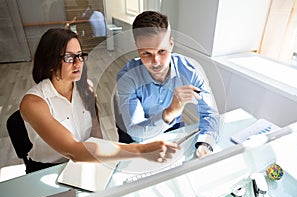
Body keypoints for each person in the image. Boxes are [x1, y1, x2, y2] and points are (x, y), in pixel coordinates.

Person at [19, 28, 178, 173]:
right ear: (50, 62)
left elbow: (96, 136)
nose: (78, 63)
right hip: (48, 170)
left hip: (84, 162)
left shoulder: (86, 88)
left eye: (80, 55)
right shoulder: (33, 103)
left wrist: (105, 163)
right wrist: (141, 151)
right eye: (69, 57)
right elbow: (73, 150)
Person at [116, 11, 220, 158]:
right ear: (137, 48)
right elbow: (138, 134)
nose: (156, 62)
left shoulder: (191, 70)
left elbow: (210, 113)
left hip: (172, 130)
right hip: (135, 137)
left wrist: (206, 143)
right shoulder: (127, 77)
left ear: (171, 44)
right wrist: (169, 112)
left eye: (162, 51)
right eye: (146, 53)